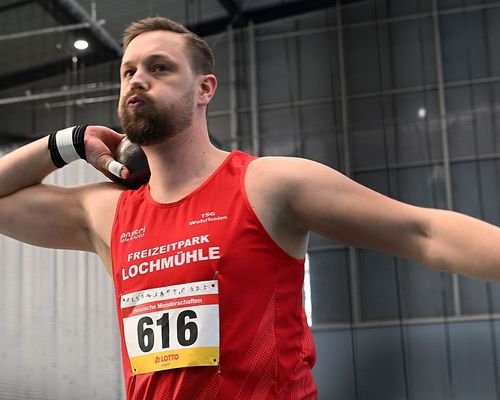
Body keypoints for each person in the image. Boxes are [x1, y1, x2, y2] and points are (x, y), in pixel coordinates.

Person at [1, 16, 500, 400]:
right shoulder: (109, 214)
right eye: (128, 71)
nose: (137, 80)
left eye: (159, 68)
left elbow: (422, 232)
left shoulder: (267, 183)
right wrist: (67, 142)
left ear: (205, 89)